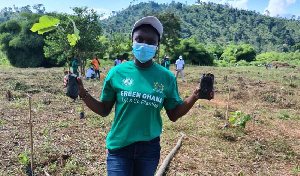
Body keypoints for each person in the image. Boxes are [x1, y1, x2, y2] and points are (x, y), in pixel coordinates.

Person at [76, 16, 200, 175]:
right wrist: (83, 94)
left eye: (150, 41)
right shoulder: (117, 72)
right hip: (120, 147)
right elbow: (104, 109)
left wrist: (194, 96)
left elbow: (174, 114)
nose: (144, 45)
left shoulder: (166, 77)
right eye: (139, 39)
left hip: (149, 149)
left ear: (157, 45)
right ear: (132, 41)